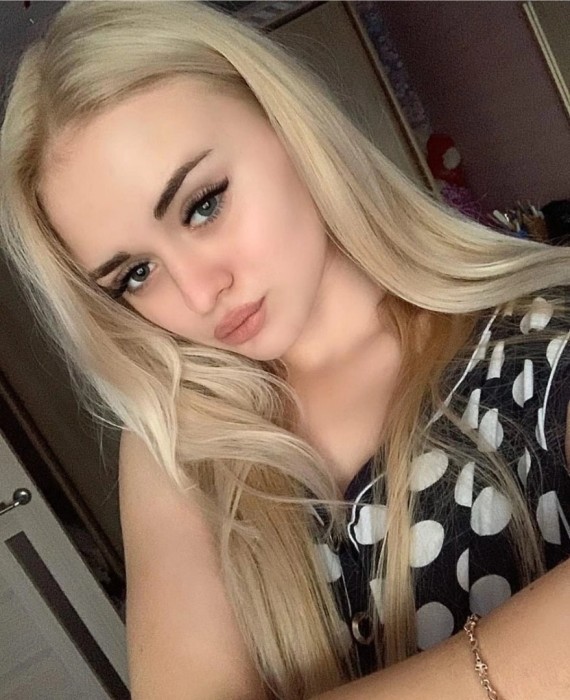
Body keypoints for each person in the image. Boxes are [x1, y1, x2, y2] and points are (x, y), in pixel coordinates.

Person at [1, 2, 569, 698]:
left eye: (203, 204)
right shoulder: (179, 443)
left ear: (287, 123)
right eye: (136, 274)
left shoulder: (547, 337)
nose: (200, 292)